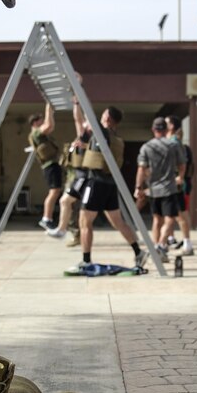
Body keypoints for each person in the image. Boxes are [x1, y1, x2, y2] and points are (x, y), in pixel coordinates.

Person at [76, 106, 146, 271]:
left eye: (103, 114)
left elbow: (86, 114)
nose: (100, 117)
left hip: (95, 182)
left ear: (107, 119)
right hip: (109, 184)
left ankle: (86, 261)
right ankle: (138, 251)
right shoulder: (114, 138)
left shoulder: (102, 132)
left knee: (84, 222)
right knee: (119, 222)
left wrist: (78, 96)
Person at [135, 117, 185, 262]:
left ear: (153, 130)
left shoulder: (146, 147)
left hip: (153, 188)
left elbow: (141, 168)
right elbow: (182, 164)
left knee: (157, 219)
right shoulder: (173, 145)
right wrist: (180, 177)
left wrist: (139, 187)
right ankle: (161, 245)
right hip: (169, 187)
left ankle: (156, 248)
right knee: (169, 219)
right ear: (166, 130)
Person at [47, 96, 89, 245]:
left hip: (84, 176)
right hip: (76, 175)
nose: (84, 124)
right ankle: (70, 232)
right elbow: (78, 120)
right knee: (70, 204)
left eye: (87, 123)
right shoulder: (84, 137)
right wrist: (76, 103)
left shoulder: (95, 139)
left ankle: (66, 231)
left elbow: (79, 121)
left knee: (73, 205)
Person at [28, 102, 62, 232]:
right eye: (41, 121)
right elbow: (49, 126)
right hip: (50, 166)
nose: (43, 124)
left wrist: (50, 112)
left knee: (55, 191)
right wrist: (49, 109)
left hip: (51, 165)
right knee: (54, 192)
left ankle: (48, 218)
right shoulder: (36, 133)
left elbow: (50, 125)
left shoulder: (37, 134)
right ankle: (46, 218)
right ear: (35, 123)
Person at [166, 115, 194, 256]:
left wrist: (180, 177)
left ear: (171, 126)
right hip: (173, 184)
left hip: (175, 185)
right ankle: (167, 241)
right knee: (173, 214)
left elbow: (181, 165)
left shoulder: (174, 143)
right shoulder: (174, 142)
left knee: (179, 215)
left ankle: (186, 243)